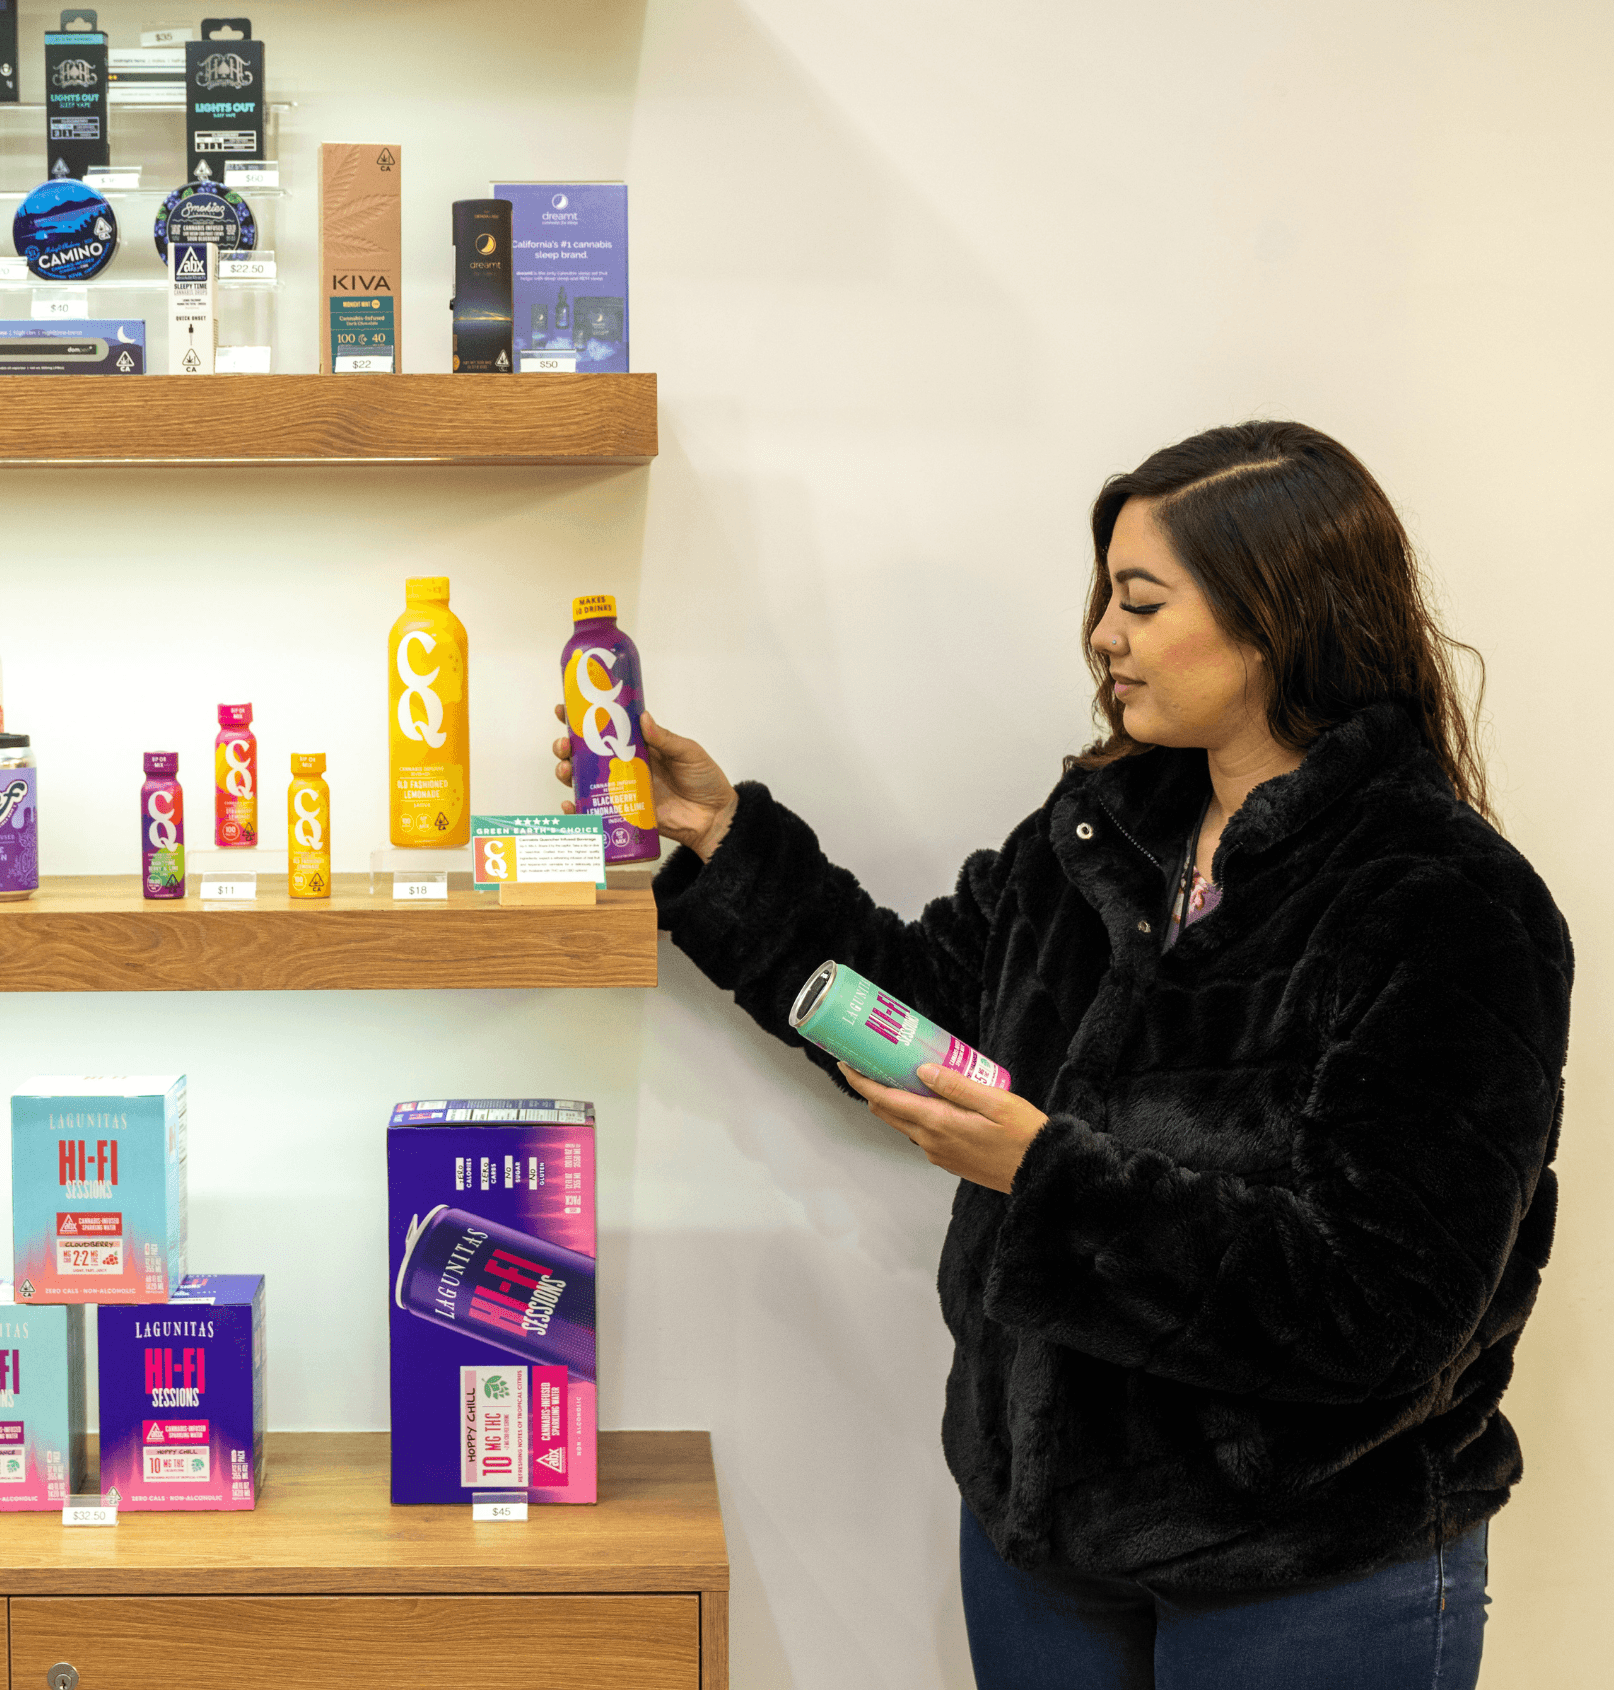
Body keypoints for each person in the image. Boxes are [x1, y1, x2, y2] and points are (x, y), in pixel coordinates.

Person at [551, 422, 1571, 1689]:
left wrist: (1050, 1181)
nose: (1101, 633)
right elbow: (924, 1012)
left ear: (1276, 619)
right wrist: (721, 841)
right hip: (1042, 1549)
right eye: (1104, 597)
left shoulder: (1446, 903)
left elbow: (1381, 1306)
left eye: (1141, 601)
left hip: (1309, 1571)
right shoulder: (1101, 831)